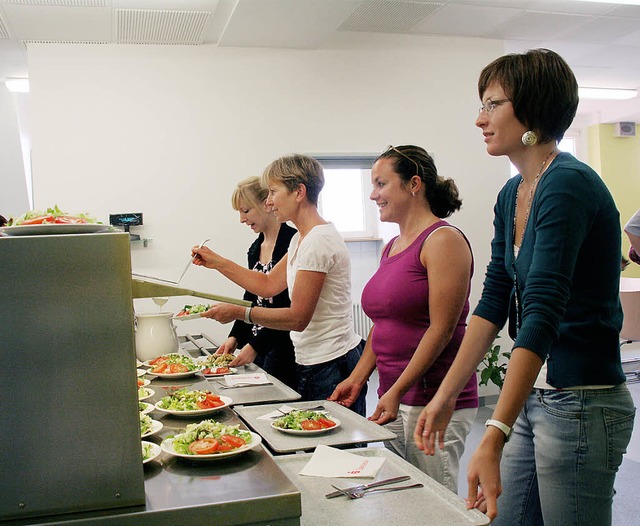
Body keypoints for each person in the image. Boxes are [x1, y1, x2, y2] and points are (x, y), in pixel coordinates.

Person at [413, 48, 635, 525]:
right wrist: (447, 392)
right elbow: (494, 300)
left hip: (582, 399)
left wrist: (493, 430)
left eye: (492, 104)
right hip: (536, 395)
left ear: (531, 110)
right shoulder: (512, 192)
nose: (480, 119)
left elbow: (542, 311)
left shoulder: (568, 183)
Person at [328, 145, 477, 493]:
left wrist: (397, 390)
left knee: (436, 502)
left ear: (414, 185)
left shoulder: (444, 240)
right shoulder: (392, 245)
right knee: (406, 496)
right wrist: (358, 377)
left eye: (381, 184)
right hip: (394, 395)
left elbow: (441, 330)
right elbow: (383, 324)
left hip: (432, 399)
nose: (373, 194)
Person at [192, 154, 367, 415]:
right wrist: (216, 262)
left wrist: (239, 313)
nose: (269, 201)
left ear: (299, 192)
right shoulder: (302, 239)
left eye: (273, 191)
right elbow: (266, 285)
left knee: (334, 450)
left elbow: (298, 318)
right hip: (312, 360)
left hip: (332, 362)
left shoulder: (318, 241)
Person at [214, 176, 297, 389]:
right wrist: (234, 337)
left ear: (267, 204)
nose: (242, 219)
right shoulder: (254, 249)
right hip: (260, 345)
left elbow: (286, 308)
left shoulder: (293, 242)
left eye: (246, 210)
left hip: (285, 348)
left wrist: (255, 346)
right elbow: (250, 299)